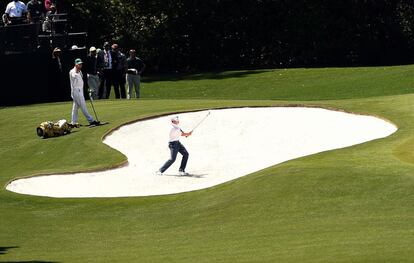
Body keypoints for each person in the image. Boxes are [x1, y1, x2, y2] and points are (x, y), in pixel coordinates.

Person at [69, 58, 99, 126]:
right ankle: (91, 120)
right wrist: (76, 71)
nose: (80, 65)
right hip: (76, 91)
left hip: (80, 91)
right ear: (76, 65)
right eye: (79, 64)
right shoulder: (72, 71)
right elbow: (74, 76)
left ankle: (73, 122)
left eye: (81, 64)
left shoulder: (80, 71)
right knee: (83, 106)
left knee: (75, 107)